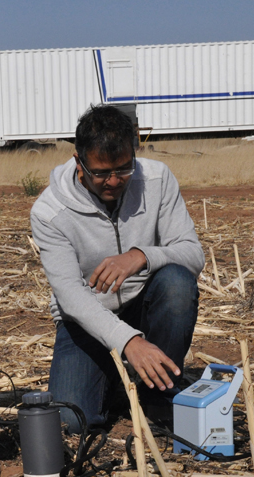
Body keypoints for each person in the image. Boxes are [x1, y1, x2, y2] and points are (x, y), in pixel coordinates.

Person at [30, 105, 204, 433]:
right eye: (101, 173)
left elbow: (194, 255)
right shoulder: (49, 212)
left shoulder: (157, 179)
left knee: (177, 282)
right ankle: (116, 382)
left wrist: (141, 255)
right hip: (86, 320)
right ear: (79, 162)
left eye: (124, 169)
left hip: (144, 304)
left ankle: (157, 395)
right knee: (71, 422)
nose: (113, 181)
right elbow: (70, 297)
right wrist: (128, 342)